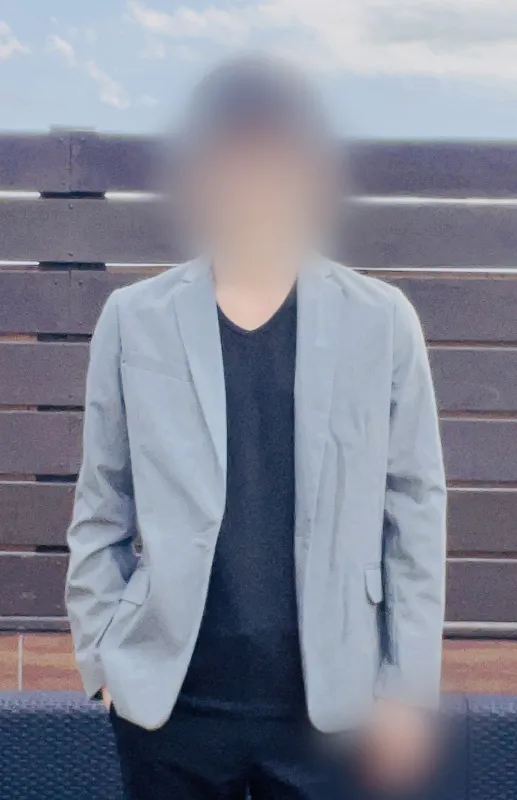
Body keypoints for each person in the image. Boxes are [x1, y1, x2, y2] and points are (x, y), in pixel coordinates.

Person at [65, 54, 446, 799]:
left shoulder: (382, 321)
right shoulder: (133, 319)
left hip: (333, 708)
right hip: (169, 705)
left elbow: (414, 512)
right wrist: (103, 659)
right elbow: (101, 501)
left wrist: (405, 690)